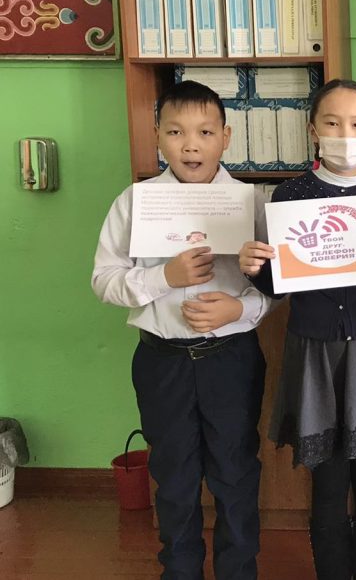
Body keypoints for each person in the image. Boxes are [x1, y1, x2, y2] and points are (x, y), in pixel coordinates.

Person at [239, 79, 356, 579]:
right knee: (326, 484)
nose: (345, 134)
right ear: (313, 130)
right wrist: (255, 270)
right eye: (332, 122)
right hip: (315, 349)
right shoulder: (291, 194)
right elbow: (280, 285)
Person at [92, 80, 271, 579]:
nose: (191, 145)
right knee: (173, 478)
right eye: (175, 132)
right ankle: (180, 571)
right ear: (157, 136)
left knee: (236, 474)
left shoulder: (251, 202)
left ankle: (239, 572)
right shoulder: (135, 201)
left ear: (225, 138)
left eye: (205, 132)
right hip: (162, 361)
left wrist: (239, 311)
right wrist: (163, 277)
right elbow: (103, 281)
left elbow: (275, 287)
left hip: (231, 358)